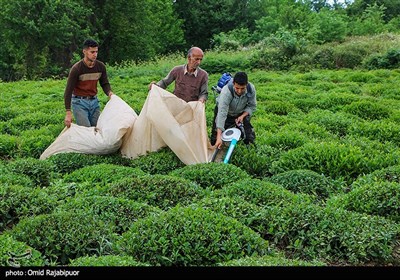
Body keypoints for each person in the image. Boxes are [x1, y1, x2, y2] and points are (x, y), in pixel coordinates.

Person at [64, 39, 114, 128]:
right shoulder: (77, 69)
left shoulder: (100, 66)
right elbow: (68, 91)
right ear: (84, 51)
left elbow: (105, 83)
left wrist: (110, 93)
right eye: (92, 52)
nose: (95, 54)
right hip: (79, 103)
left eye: (96, 52)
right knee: (86, 130)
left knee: (97, 129)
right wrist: (68, 112)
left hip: (94, 102)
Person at [210, 71, 256, 149]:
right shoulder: (226, 92)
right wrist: (219, 137)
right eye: (237, 88)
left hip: (240, 113)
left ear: (246, 84)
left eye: (243, 88)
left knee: (249, 136)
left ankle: (247, 152)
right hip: (225, 112)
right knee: (216, 138)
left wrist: (242, 116)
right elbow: (222, 114)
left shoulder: (251, 89)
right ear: (233, 83)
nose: (239, 91)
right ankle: (214, 156)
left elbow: (252, 106)